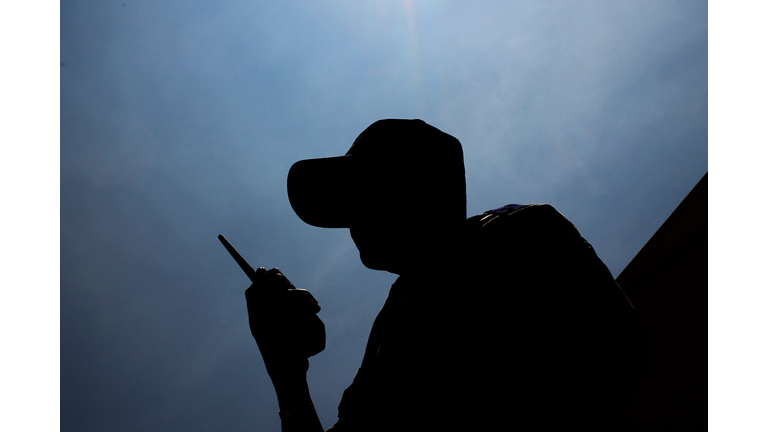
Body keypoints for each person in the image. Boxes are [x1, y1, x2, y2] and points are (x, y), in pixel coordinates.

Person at [244, 119, 649, 431]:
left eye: (366, 195)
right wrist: (288, 373)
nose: (354, 222)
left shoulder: (515, 235)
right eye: (348, 208)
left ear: (422, 184)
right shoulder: (390, 329)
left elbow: (615, 353)